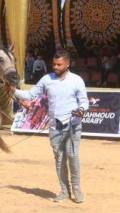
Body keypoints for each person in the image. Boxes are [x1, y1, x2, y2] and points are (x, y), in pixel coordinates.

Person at [8, 50, 89, 203]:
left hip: (72, 125)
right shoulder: (47, 79)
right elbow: (31, 95)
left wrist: (81, 110)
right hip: (54, 126)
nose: (55, 67)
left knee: (72, 156)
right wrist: (14, 91)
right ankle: (64, 191)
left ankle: (77, 189)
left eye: (59, 64)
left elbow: (84, 101)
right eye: (54, 64)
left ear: (67, 64)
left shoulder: (77, 80)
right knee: (59, 159)